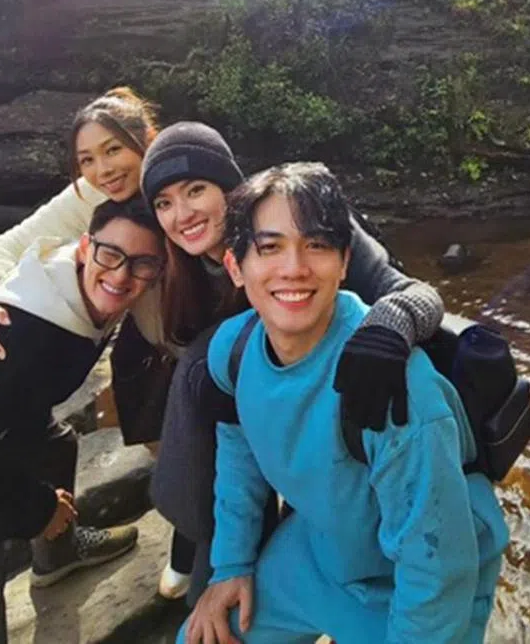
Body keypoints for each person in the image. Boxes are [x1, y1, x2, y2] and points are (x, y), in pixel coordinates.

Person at [178, 163, 508, 644]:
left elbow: (435, 567)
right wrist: (231, 565)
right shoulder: (233, 351)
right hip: (320, 554)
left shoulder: (394, 387)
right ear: (234, 266)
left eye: (316, 245)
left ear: (345, 261)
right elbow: (239, 456)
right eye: (269, 248)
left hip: (419, 584)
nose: (294, 268)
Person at [140, 122, 446, 605]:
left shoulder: (300, 218)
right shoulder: (186, 268)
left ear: (229, 186)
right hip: (268, 415)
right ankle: (207, 544)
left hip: (353, 401)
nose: (183, 214)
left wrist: (389, 325)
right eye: (164, 203)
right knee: (202, 369)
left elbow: (416, 293)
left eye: (196, 190)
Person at [0, 198, 163, 643]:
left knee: (56, 444)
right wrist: (37, 511)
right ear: (84, 248)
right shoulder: (12, 338)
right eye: (111, 255)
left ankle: (58, 556)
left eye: (142, 264)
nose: (120, 275)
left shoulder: (73, 295)